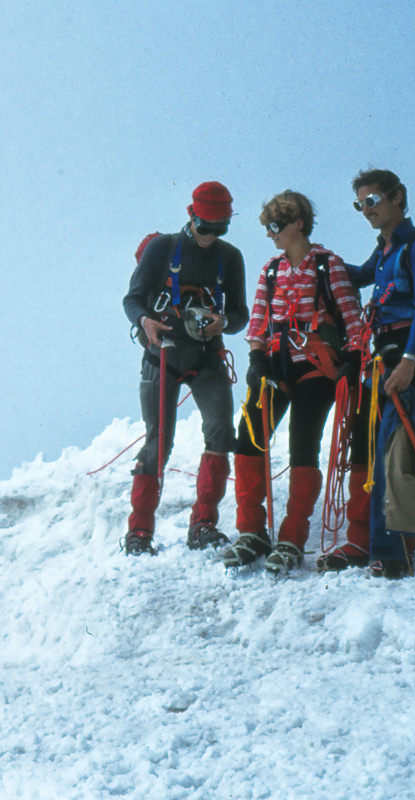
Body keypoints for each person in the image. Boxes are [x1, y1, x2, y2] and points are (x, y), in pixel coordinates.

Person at [315, 168, 415, 578]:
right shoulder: (385, 250)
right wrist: (318, 258)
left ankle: (397, 548)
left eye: (373, 201)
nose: (366, 210)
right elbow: (359, 277)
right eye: (360, 204)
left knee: (399, 447)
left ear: (398, 197)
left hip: (407, 358)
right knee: (365, 444)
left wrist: (410, 363)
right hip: (381, 357)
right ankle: (363, 541)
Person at [222, 191, 365, 574]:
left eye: (275, 226)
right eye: (267, 226)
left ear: (298, 223)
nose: (270, 234)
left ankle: (291, 537)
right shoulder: (271, 269)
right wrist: (255, 358)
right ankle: (251, 531)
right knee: (249, 437)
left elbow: (352, 318)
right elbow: (258, 320)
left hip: (316, 367)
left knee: (303, 444)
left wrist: (352, 359)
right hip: (274, 364)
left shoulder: (327, 265)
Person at [121, 181, 249, 555]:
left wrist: (223, 323)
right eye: (205, 227)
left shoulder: (231, 257)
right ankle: (139, 532)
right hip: (162, 355)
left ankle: (204, 524)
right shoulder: (162, 249)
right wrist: (146, 322)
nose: (210, 236)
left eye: (219, 228)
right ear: (190, 216)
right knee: (158, 442)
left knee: (221, 432)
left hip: (207, 356)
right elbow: (132, 298)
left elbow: (239, 313)